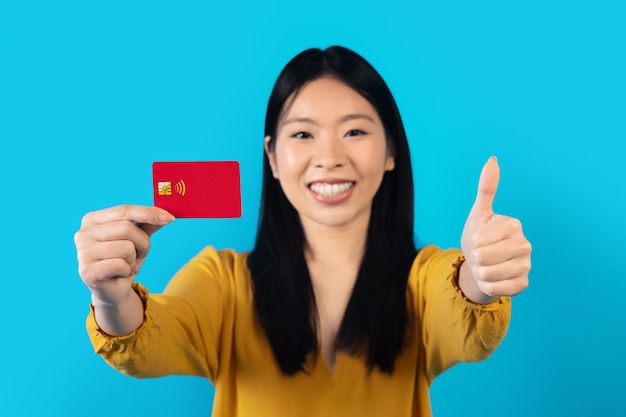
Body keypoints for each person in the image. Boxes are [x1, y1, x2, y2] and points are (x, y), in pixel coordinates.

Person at [75, 46, 531, 416]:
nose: (329, 156)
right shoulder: (224, 282)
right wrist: (112, 297)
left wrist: (480, 277)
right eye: (302, 135)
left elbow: (467, 329)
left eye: (354, 132)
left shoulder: (424, 279)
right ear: (271, 157)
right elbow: (152, 345)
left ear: (391, 150)